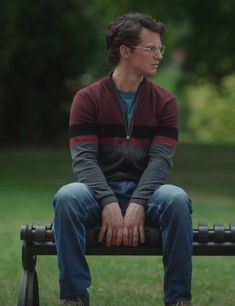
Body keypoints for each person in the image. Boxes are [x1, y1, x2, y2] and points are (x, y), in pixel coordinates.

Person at [53, 12, 193, 306]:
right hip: (96, 193)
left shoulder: (165, 102)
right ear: (125, 52)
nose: (158, 56)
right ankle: (75, 296)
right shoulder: (87, 99)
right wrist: (108, 201)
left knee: (177, 198)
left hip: (150, 193)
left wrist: (139, 202)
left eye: (160, 49)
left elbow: (160, 161)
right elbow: (84, 160)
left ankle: (178, 299)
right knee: (67, 196)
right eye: (151, 48)